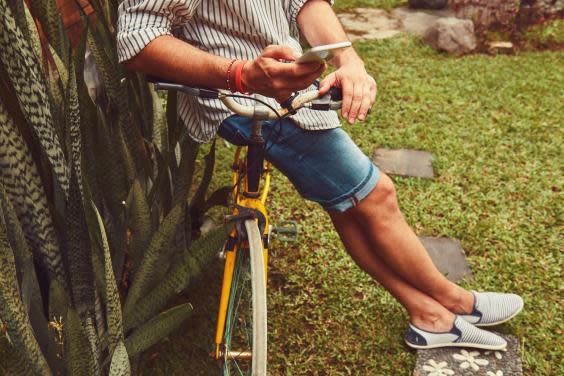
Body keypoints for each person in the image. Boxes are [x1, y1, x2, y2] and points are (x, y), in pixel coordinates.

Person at [117, 0, 523, 350]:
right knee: (377, 194)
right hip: (243, 101)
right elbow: (136, 36)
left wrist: (350, 60)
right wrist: (241, 75)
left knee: (347, 205)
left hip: (291, 89)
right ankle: (456, 302)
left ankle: (428, 314)